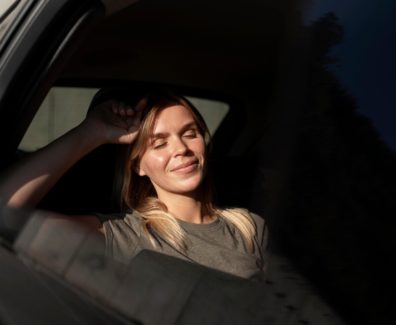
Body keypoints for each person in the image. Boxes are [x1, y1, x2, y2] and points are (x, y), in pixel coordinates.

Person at [0, 89, 268, 279]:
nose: (181, 149)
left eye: (190, 133)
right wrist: (89, 134)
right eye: (159, 143)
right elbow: (5, 216)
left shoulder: (247, 228)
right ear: (138, 165)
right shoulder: (123, 235)